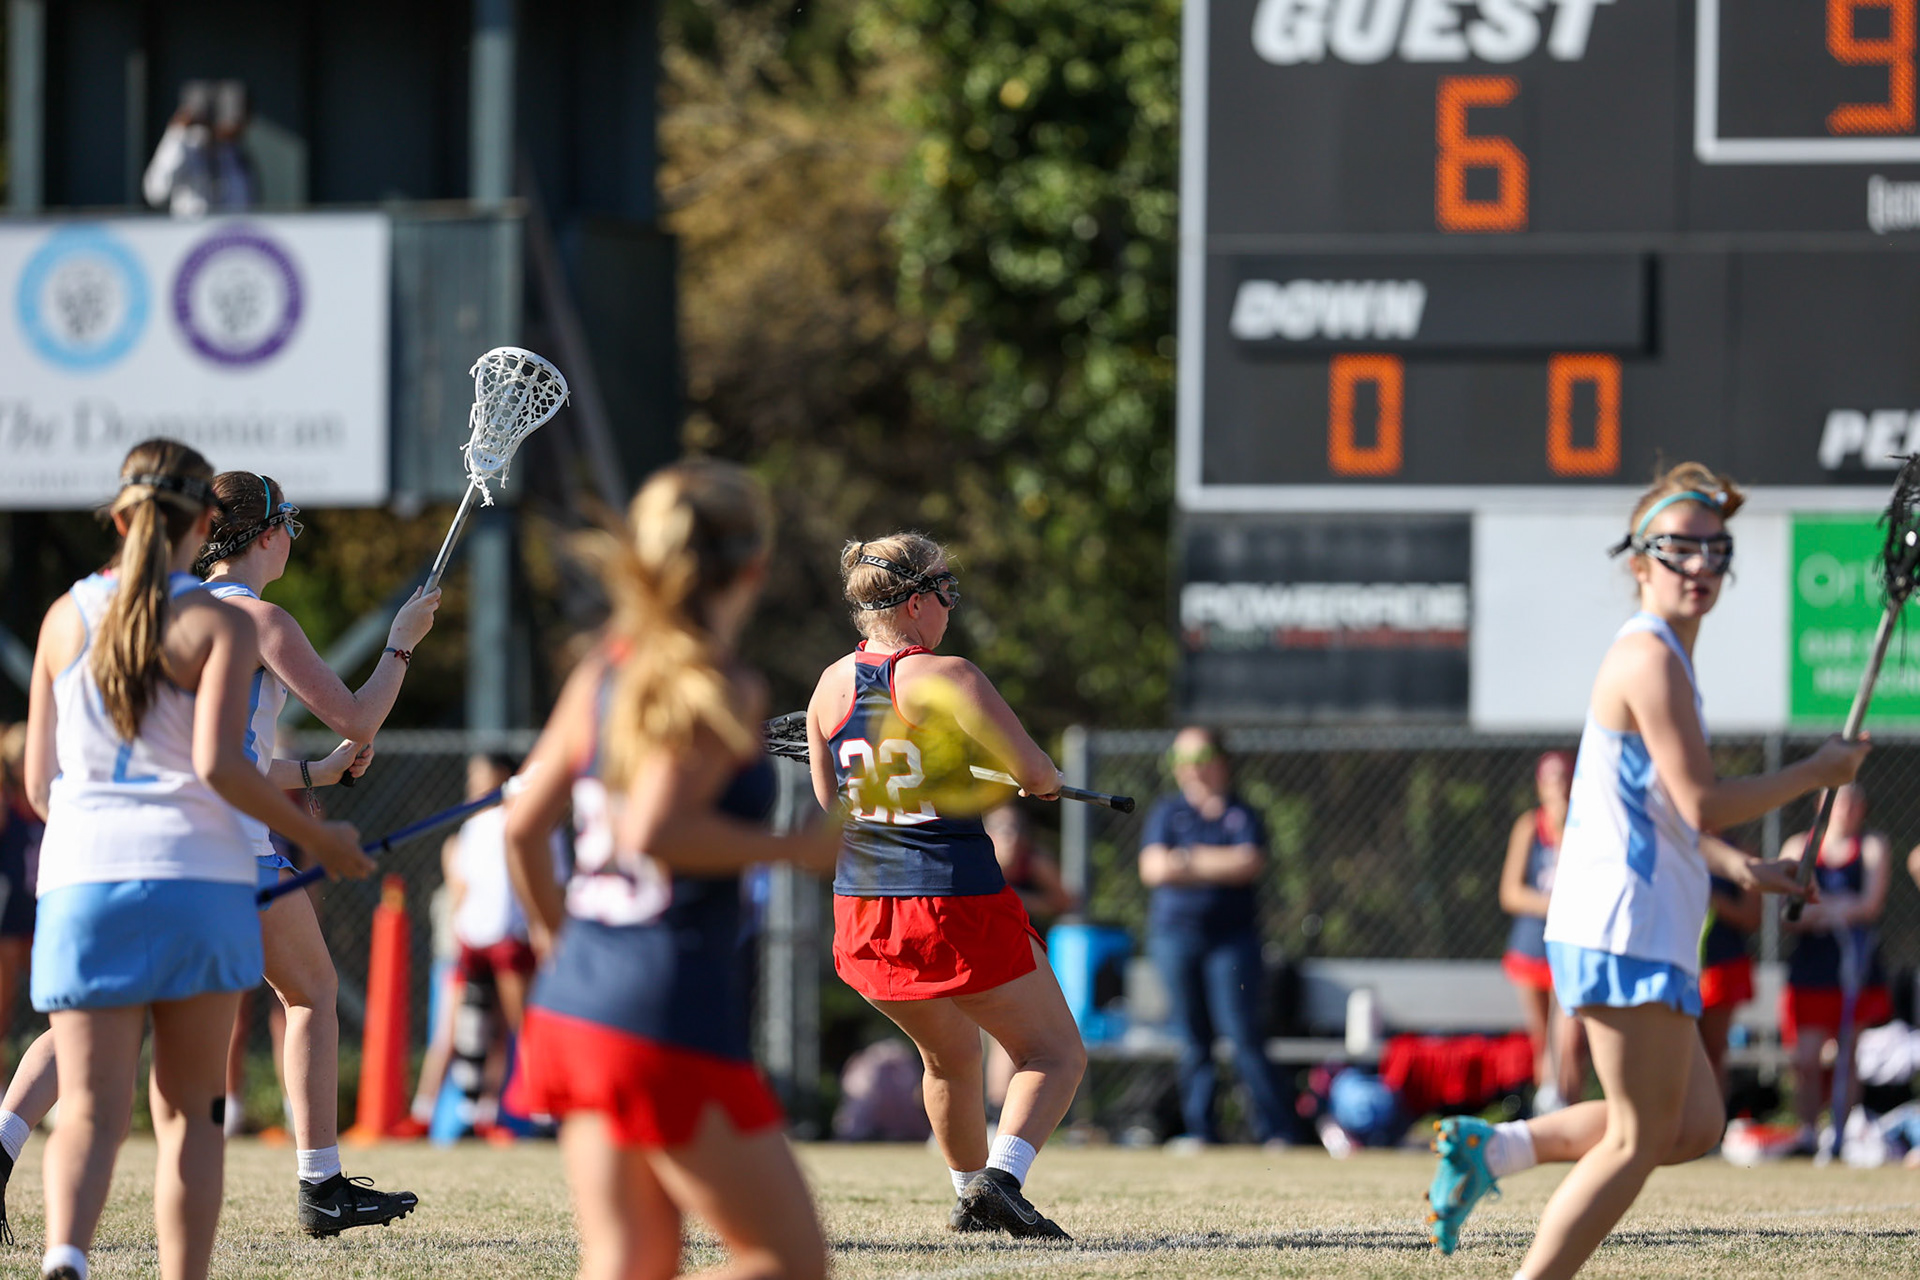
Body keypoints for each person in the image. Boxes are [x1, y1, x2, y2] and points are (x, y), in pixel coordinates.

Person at [1424, 463, 1866, 1277]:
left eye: (1717, 549)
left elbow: (1665, 814)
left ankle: (1498, 1149)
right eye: (1679, 549)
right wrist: (1816, 771)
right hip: (1621, 923)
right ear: (1639, 563)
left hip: (1643, 922)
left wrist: (1746, 868)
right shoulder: (1649, 658)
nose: (1701, 565)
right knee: (1637, 1138)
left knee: (1692, 1124)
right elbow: (1700, 801)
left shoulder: (1669, 661)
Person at [0, 471, 438, 1237]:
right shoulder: (259, 619)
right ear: (266, 535)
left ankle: (4, 1144)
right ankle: (321, 1183)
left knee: (96, 1021)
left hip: (123, 850)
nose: (292, 539)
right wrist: (400, 643)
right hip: (223, 854)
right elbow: (357, 717)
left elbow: (214, 755)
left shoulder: (161, 612)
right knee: (310, 993)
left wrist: (316, 772)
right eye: (289, 525)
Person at [504, 460, 835, 1280]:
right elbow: (656, 830)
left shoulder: (605, 669)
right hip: (664, 1001)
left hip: (578, 998)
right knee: (789, 1261)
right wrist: (792, 849)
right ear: (753, 566)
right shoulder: (717, 685)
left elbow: (522, 828)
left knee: (629, 1261)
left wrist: (556, 940)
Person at [805, 533, 1084, 1238]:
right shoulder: (949, 676)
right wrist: (1042, 781)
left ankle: (970, 1197)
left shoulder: (828, 686)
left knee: (950, 1058)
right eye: (946, 591)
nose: (951, 606)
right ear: (916, 602)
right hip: (950, 904)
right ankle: (1001, 1179)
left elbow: (830, 803)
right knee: (1053, 1053)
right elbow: (1035, 773)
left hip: (863, 912)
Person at [1139, 727, 1292, 1149]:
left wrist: (1184, 859)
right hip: (1175, 938)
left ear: (1221, 760)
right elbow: (1152, 869)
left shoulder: (1243, 813)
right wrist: (1214, 861)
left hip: (1232, 941)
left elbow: (1248, 863)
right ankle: (1201, 1131)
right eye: (1180, 759)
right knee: (1192, 1040)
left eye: (1199, 757)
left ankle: (1276, 1131)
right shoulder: (1167, 813)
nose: (1190, 768)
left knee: (1243, 1036)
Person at [403, 752, 566, 1136]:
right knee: (461, 1029)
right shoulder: (475, 825)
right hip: (473, 941)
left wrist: (543, 929)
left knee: (520, 1027)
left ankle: (539, 1113)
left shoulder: (536, 823)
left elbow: (551, 881)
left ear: (505, 776)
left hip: (512, 938)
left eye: (482, 774)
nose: (474, 783)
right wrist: (459, 928)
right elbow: (463, 884)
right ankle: (438, 1113)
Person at [1780, 784, 1892, 1154]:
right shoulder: (1799, 847)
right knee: (1807, 1059)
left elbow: (1869, 905)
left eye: (1855, 803)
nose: (1848, 809)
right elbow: (1789, 912)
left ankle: (1841, 1135)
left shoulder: (1872, 847)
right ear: (1823, 804)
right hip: (1811, 969)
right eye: (1841, 802)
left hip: (1853, 968)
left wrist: (1822, 909)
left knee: (1847, 1056)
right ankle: (1808, 1133)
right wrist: (1836, 908)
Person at [1499, 750, 1587, 1114]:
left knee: (1570, 1040)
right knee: (1543, 1041)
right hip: (1533, 946)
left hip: (1574, 944)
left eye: (1565, 777)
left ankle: (1570, 1109)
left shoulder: (1587, 824)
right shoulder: (1529, 827)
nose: (1559, 786)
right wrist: (1556, 905)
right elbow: (1511, 892)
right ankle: (1547, 1114)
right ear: (1540, 786)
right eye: (1551, 779)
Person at [982, 805, 1077, 1116]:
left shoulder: (1033, 862)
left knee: (1010, 1038)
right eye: (1002, 829)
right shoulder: (976, 863)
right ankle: (986, 1113)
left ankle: (999, 1113)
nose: (1011, 837)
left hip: (1024, 959)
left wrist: (1020, 902)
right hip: (982, 956)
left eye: (1017, 829)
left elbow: (1064, 900)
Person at [1696, 848, 1760, 1094]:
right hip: (1676, 964)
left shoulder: (1738, 853)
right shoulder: (1670, 841)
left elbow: (1751, 916)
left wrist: (1710, 898)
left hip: (1720, 968)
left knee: (1711, 1053)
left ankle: (1712, 1114)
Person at [0, 726, 43, 1077]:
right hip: (11, 918)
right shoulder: (7, 808)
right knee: (2, 1011)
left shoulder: (52, 803)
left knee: (64, 1010)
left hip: (45, 914)